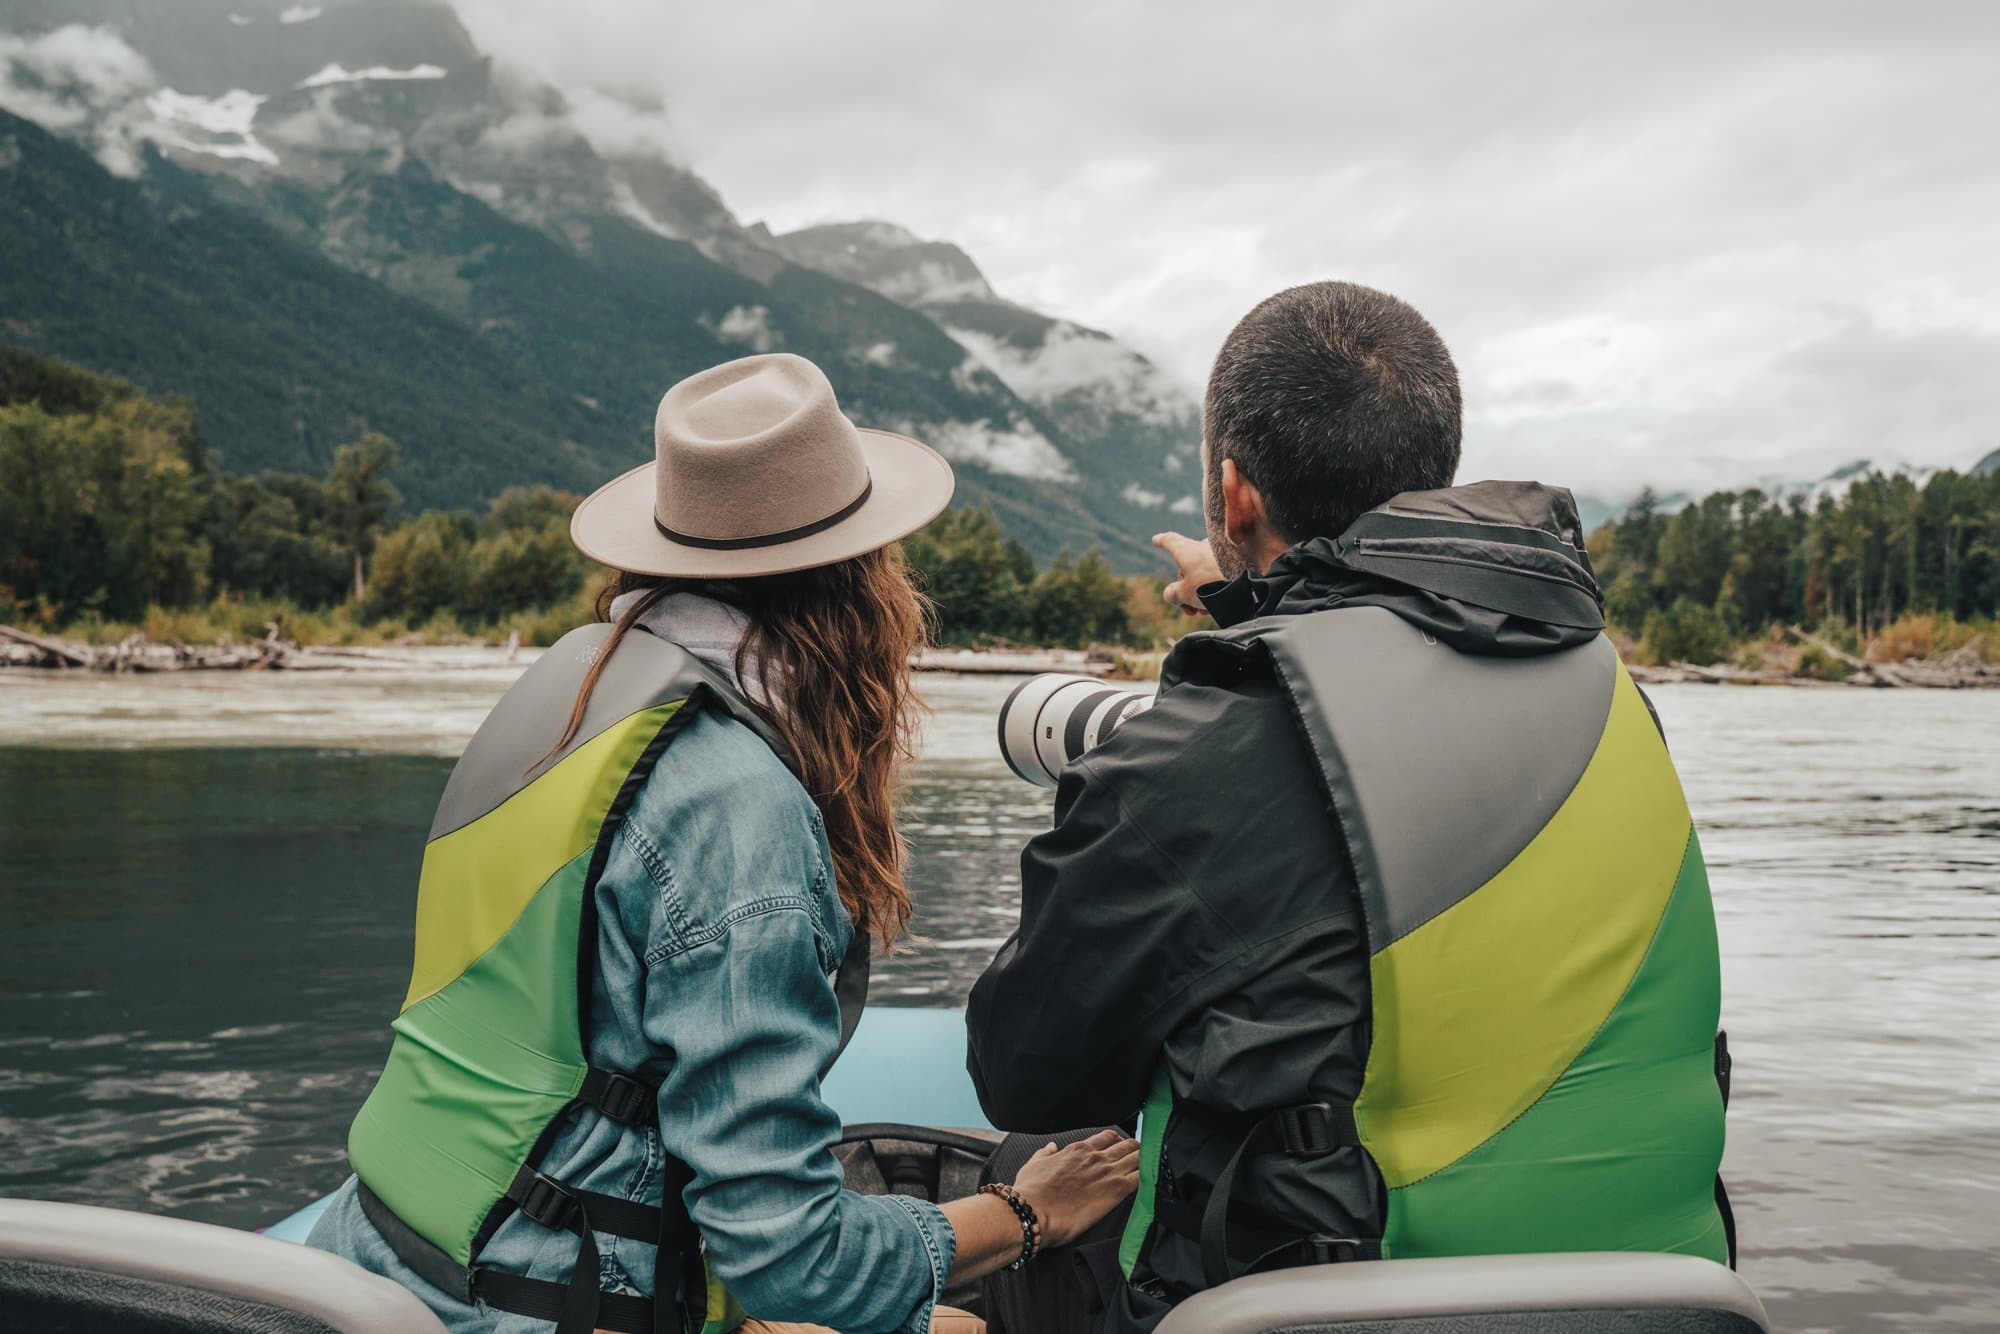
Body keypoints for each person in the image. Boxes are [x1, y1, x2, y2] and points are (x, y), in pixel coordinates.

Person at [308, 352, 1138, 1334]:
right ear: (857, 589)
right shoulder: (740, 810)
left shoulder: (575, 689)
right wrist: (1026, 1214)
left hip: (377, 1254)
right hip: (531, 1304)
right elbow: (797, 1262)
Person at [967, 282, 1732, 1332]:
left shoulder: (1188, 763)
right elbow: (1387, 693)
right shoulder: (1611, 699)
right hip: (1650, 1306)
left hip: (1318, 1312)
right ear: (1431, 472)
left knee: (1034, 1159)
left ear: (1233, 494)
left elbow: (1023, 1069)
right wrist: (1248, 600)